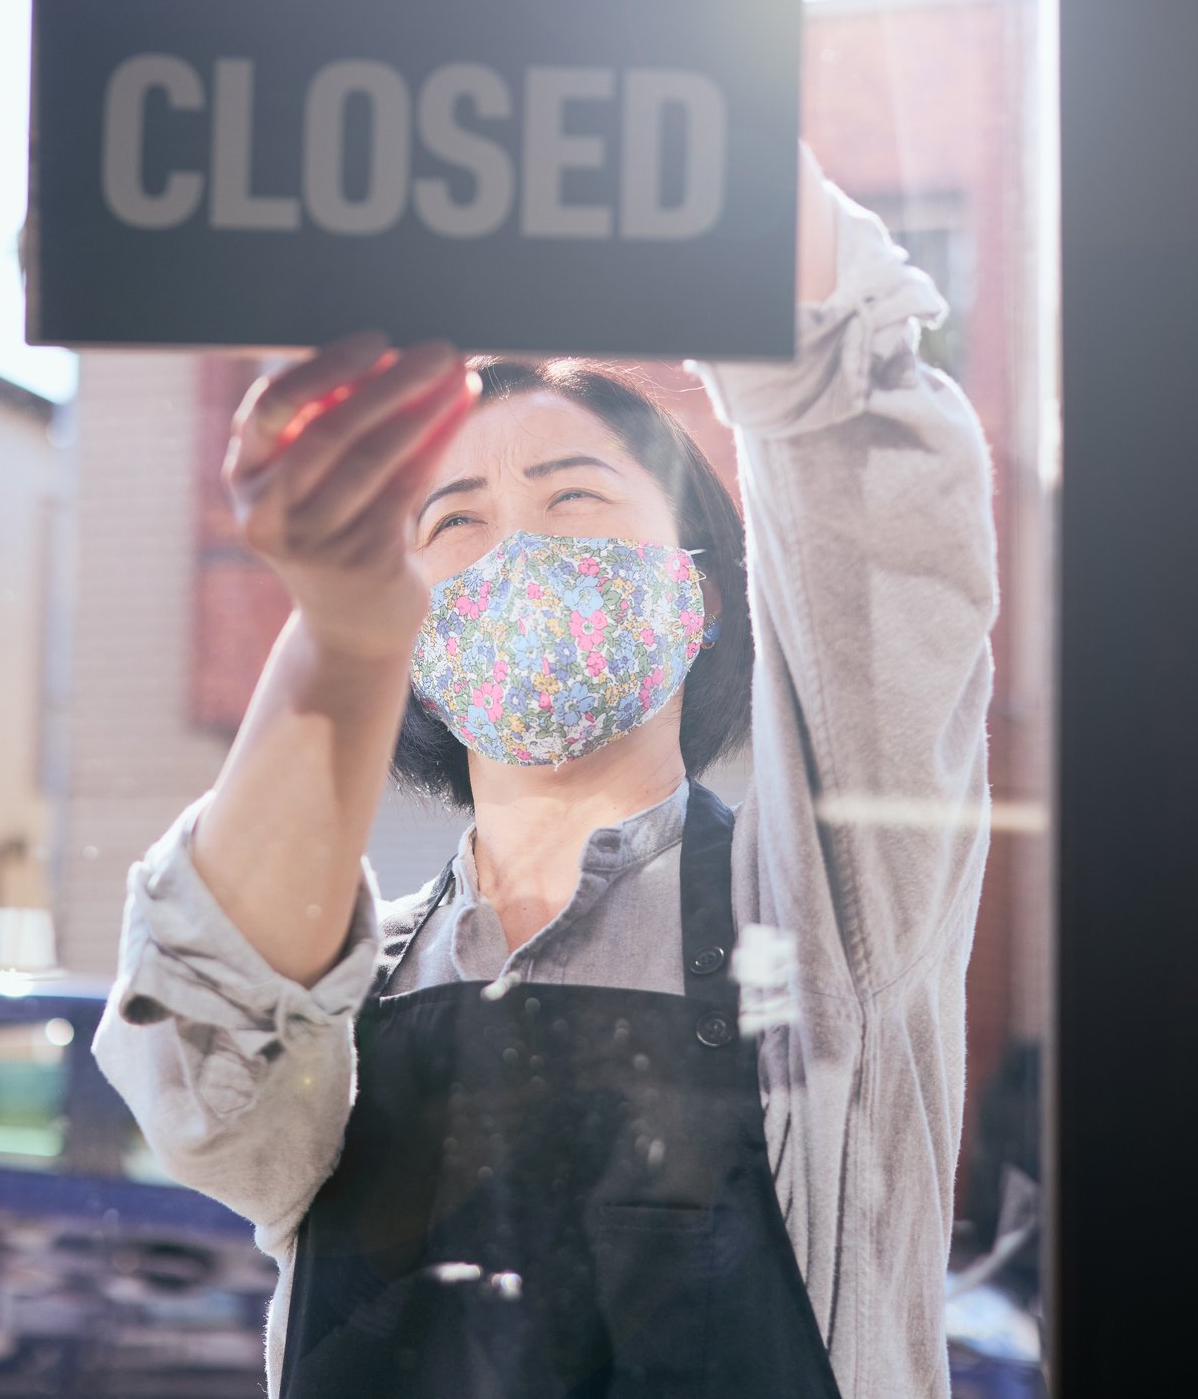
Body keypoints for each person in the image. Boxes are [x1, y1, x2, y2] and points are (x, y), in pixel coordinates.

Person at [92, 144, 998, 1398]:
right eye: (451, 519)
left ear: (701, 587)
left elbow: (856, 430)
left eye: (573, 498)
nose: (512, 547)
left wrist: (640, 95)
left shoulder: (823, 919)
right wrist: (339, 632)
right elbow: (204, 1061)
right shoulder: (352, 983)